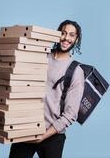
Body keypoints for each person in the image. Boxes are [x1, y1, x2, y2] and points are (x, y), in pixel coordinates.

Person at [9, 20, 84, 158]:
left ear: (76, 39)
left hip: (52, 135)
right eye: (63, 33)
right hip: (26, 128)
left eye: (72, 35)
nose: (66, 38)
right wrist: (14, 34)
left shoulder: (76, 71)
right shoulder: (40, 56)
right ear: (57, 34)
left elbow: (70, 114)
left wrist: (43, 135)